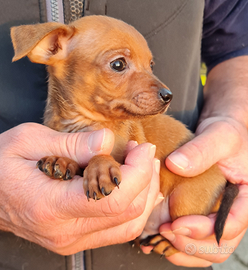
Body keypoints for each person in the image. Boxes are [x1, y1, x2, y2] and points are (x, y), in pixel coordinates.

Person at [0, 0, 248, 269]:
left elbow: (235, 40)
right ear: (50, 47)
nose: (162, 89)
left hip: (169, 230)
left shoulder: (122, 123)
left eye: (149, 66)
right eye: (118, 65)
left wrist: (235, 120)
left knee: (181, 217)